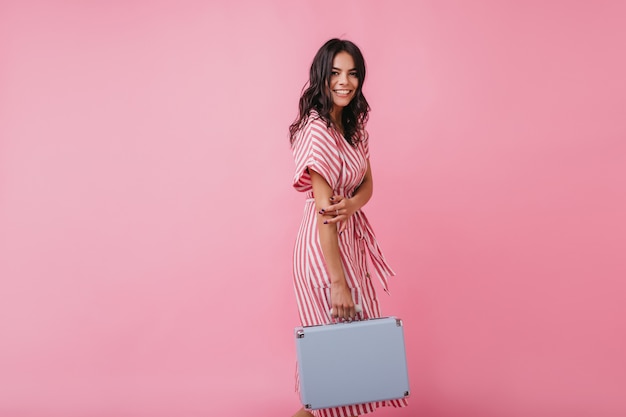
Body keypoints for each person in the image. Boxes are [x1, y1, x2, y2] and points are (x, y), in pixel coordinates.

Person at [289, 39, 408, 417]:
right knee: (330, 370)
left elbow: (367, 186)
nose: (345, 82)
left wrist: (352, 204)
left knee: (345, 366)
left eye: (352, 73)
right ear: (322, 77)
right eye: (336, 73)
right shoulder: (316, 130)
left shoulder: (354, 128)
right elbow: (326, 213)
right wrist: (338, 281)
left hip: (348, 242)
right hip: (324, 251)